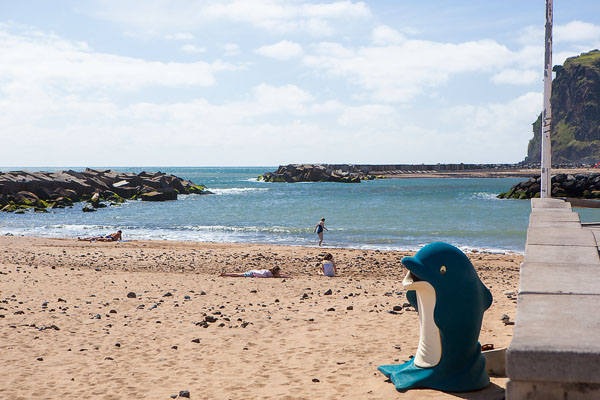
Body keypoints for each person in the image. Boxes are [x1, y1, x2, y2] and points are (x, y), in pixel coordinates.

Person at [220, 265, 291, 278]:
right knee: (239, 275)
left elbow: (280, 274)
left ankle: (225, 274)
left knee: (239, 274)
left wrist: (287, 275)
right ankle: (226, 274)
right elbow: (280, 276)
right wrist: (288, 276)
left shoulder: (270, 272)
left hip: (254, 272)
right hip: (253, 274)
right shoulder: (271, 275)